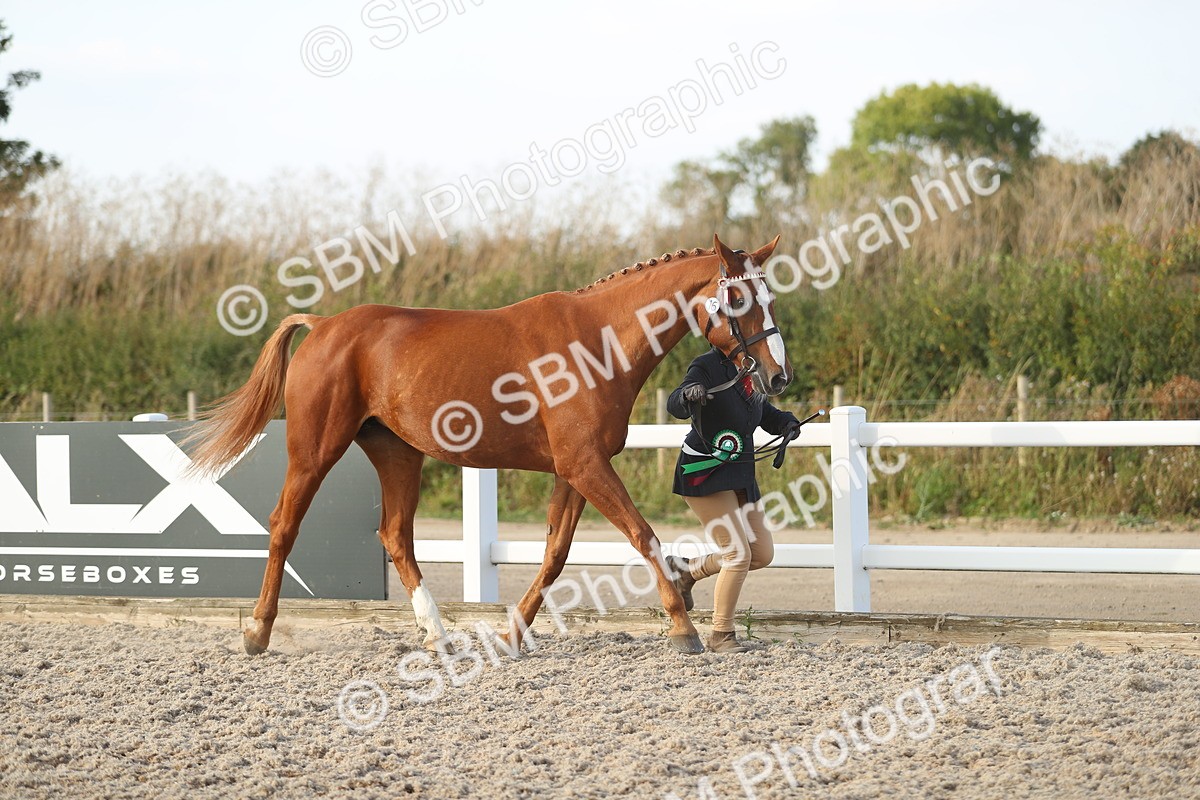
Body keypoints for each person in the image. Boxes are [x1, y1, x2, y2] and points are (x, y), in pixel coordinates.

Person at [665, 346, 802, 653]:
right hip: (704, 471)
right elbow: (674, 403)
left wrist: (785, 423)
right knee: (737, 554)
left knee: (761, 553)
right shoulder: (705, 365)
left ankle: (687, 572)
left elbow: (763, 412)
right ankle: (721, 634)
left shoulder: (751, 367)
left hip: (740, 473)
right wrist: (688, 394)